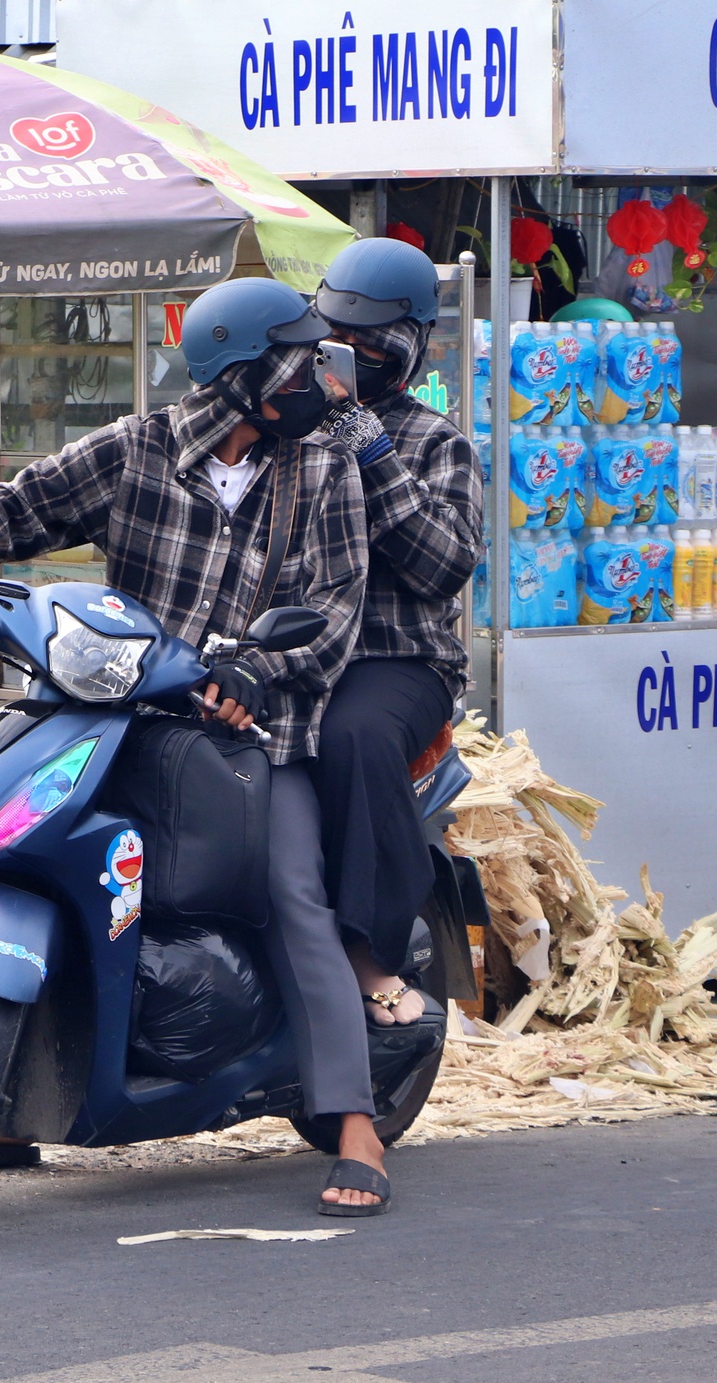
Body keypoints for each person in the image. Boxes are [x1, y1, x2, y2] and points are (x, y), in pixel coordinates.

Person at [0, 277, 397, 1218]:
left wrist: (258, 671)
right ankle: (2, 1089)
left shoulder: (325, 466)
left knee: (292, 889)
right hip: (116, 717)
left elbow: (338, 608)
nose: (317, 376)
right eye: (297, 358)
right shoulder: (138, 451)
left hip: (252, 734)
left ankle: (355, 1117)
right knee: (36, 847)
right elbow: (21, 501)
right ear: (244, 374)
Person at [309, 237, 487, 1028]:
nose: (356, 361)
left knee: (352, 734)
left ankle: (369, 951)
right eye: (339, 343)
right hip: (295, 647)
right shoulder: (287, 427)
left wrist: (375, 456)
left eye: (375, 349)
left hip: (395, 659)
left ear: (412, 351)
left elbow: (444, 568)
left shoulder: (435, 442)